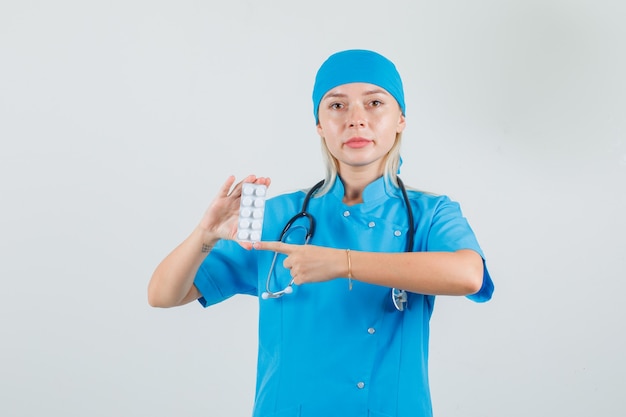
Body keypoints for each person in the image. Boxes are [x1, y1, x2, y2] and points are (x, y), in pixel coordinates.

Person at [148, 49, 494, 417]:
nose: (356, 120)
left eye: (374, 103)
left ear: (400, 120)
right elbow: (163, 294)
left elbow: (469, 275)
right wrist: (206, 233)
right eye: (337, 106)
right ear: (319, 124)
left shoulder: (430, 214)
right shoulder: (280, 216)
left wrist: (341, 263)